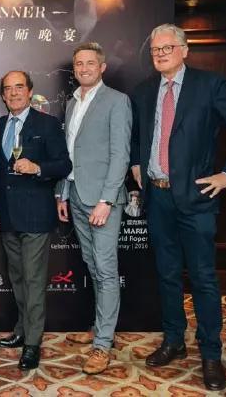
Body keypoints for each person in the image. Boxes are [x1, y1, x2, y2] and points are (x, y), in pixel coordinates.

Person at [130, 24, 226, 391]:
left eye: (167, 48)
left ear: (184, 50)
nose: (160, 54)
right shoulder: (143, 91)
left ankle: (211, 353)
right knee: (167, 274)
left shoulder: (210, 85)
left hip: (197, 199)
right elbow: (138, 135)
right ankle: (174, 341)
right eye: (155, 50)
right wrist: (137, 163)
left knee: (203, 277)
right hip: (157, 197)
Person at [0, 71, 71, 370]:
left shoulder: (47, 124)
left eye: (19, 87)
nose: (13, 93)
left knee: (34, 280)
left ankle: (33, 343)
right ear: (2, 95)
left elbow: (64, 164)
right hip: (7, 215)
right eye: (8, 89)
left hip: (35, 215)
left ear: (30, 91)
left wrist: (37, 168)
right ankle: (22, 330)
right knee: (18, 278)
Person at [56, 42, 132, 375]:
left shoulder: (117, 101)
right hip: (75, 194)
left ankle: (103, 344)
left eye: (90, 63)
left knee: (105, 269)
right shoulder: (73, 102)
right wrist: (62, 192)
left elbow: (120, 155)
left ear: (102, 67)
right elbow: (70, 154)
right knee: (92, 265)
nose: (83, 68)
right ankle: (100, 328)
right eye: (78, 63)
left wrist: (107, 200)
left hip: (102, 199)